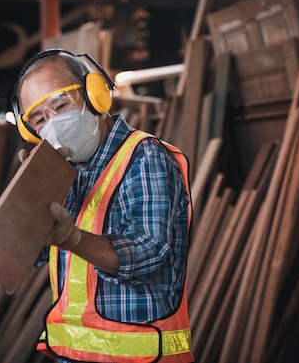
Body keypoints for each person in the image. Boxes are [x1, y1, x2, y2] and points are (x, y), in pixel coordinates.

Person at [12, 48, 194, 363]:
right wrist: (31, 192)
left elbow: (148, 254)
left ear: (96, 95)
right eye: (40, 119)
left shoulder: (144, 157)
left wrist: (72, 239)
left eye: (62, 104)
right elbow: (29, 256)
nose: (54, 123)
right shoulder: (67, 171)